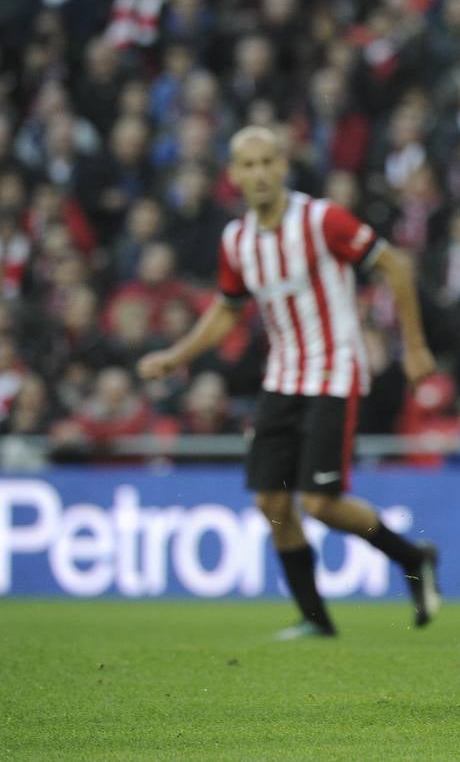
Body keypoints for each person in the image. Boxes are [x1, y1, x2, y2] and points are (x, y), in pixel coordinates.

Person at [137, 126, 439, 639]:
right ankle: (315, 619)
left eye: (266, 163)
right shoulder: (236, 241)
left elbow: (395, 265)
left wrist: (413, 346)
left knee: (320, 503)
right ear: (233, 176)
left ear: (282, 167)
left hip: (333, 374)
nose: (258, 174)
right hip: (281, 377)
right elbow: (229, 311)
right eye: (247, 166)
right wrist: (176, 355)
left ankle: (413, 557)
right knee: (271, 502)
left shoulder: (323, 220)